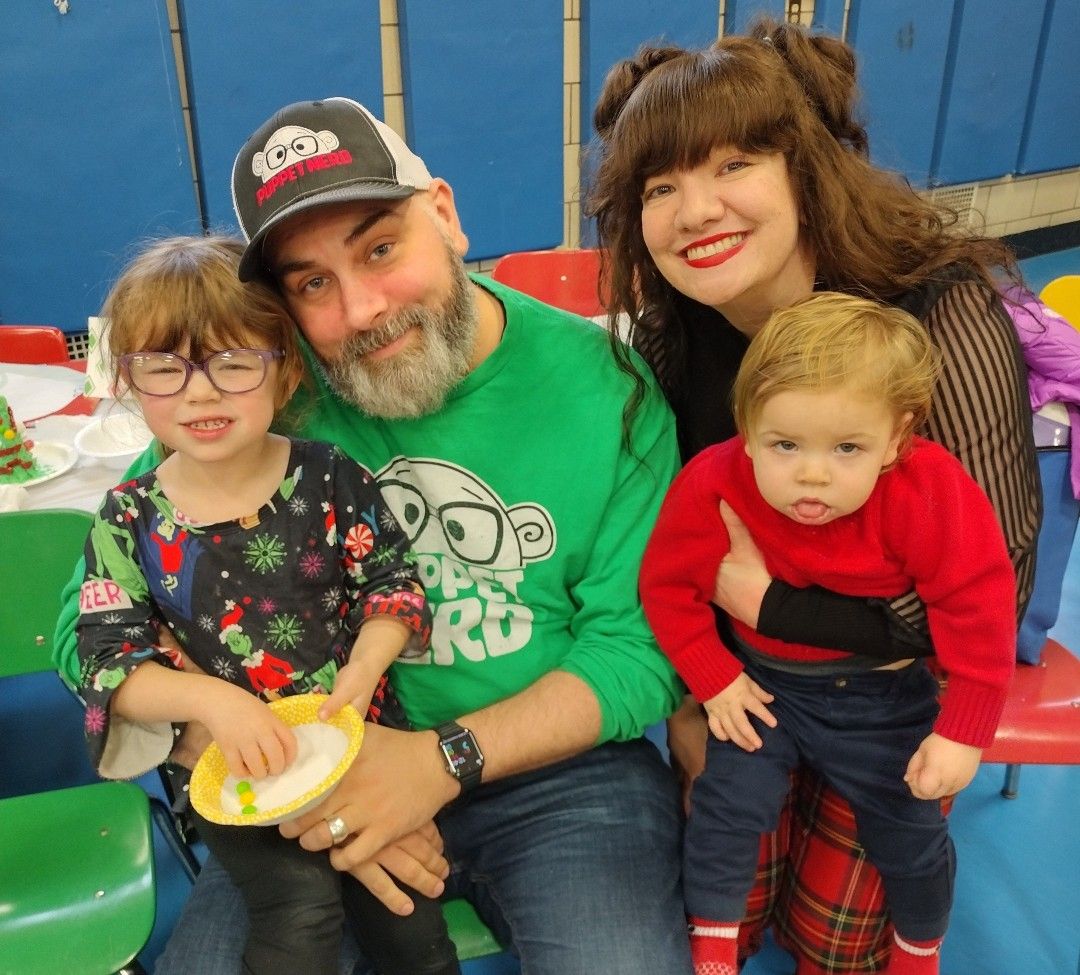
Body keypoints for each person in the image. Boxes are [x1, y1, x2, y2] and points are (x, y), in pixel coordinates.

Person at [55, 97, 692, 974]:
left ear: (446, 213)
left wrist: (437, 763)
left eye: (381, 248)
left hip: (556, 772)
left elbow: (638, 647)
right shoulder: (265, 387)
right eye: (312, 282)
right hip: (305, 768)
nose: (359, 311)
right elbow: (91, 613)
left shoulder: (604, 390)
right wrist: (242, 734)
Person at [587, 17, 1040, 973]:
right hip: (750, 683)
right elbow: (666, 551)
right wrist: (689, 695)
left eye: (732, 165)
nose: (694, 209)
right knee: (715, 899)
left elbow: (982, 584)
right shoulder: (676, 336)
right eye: (660, 188)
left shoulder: (935, 315)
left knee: (838, 939)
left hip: (892, 690)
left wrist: (769, 601)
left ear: (802, 170)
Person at [74, 235, 460, 975]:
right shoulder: (128, 517)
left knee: (409, 919)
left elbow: (392, 582)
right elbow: (108, 660)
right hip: (228, 773)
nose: (200, 391)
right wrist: (215, 703)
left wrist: (366, 666)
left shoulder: (328, 475)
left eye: (234, 361)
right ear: (129, 380)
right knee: (300, 909)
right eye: (163, 367)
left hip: (351, 748)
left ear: (283, 372)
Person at [640, 293, 1016, 975]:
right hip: (761, 685)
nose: (812, 473)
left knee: (910, 828)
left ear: (897, 438)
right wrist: (714, 675)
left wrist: (964, 727)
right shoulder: (716, 479)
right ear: (748, 428)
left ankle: (917, 945)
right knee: (725, 809)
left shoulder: (927, 488)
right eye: (785, 445)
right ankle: (713, 943)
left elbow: (979, 604)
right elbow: (668, 586)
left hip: (880, 698)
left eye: (847, 448)